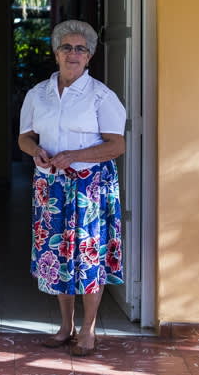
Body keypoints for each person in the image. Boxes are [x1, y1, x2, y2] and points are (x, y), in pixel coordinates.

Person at [17, 19, 126, 356]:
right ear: (56, 53)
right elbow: (24, 137)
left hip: (89, 188)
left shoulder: (101, 96)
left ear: (90, 56)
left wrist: (74, 156)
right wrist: (37, 151)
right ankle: (66, 327)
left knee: (87, 256)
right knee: (59, 257)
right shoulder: (38, 94)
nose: (73, 54)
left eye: (81, 49)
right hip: (51, 187)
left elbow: (116, 145)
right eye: (67, 47)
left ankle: (88, 330)